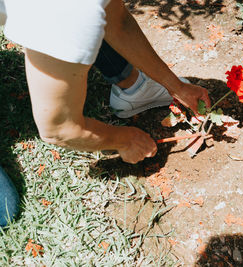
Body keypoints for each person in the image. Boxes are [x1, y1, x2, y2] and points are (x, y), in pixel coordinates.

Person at [0, 0, 211, 227]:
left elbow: (117, 21)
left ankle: (134, 87)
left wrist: (175, 86)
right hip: (62, 18)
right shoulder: (65, 14)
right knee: (5, 211)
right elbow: (57, 129)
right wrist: (126, 140)